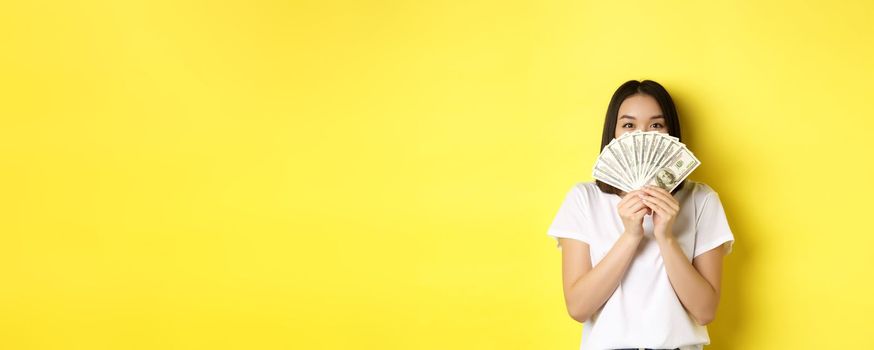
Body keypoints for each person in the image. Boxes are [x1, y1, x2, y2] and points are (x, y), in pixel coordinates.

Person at [546, 80, 735, 350]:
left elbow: (705, 311)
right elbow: (578, 307)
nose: (642, 135)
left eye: (656, 125)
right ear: (613, 133)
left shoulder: (701, 199)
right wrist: (631, 236)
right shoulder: (584, 199)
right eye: (628, 125)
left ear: (671, 133)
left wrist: (665, 237)